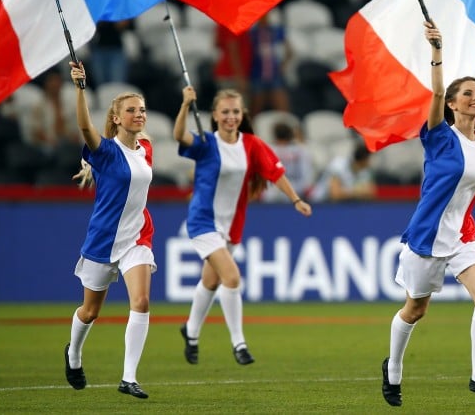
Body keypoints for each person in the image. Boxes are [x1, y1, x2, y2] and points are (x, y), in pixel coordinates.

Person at [382, 22, 475, 408]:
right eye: (467, 93)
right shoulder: (438, 136)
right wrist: (438, 51)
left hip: (462, 234)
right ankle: (394, 369)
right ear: (451, 103)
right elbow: (435, 89)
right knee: (415, 310)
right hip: (428, 236)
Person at [174, 86, 312, 366]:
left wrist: (296, 199)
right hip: (203, 221)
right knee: (232, 278)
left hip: (231, 225)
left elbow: (276, 172)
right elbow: (179, 136)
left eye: (235, 112)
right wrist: (186, 105)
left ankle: (190, 331)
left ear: (242, 114)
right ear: (214, 115)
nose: (230, 117)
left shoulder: (251, 144)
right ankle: (239, 343)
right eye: (225, 112)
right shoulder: (206, 142)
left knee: (210, 282)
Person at [64, 61, 155, 399]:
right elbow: (85, 128)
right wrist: (80, 88)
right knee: (90, 311)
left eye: (142, 110)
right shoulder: (105, 151)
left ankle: (128, 378)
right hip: (103, 240)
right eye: (131, 110)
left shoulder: (147, 149)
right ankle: (73, 354)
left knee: (142, 301)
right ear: (117, 117)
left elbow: (131, 182)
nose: (139, 114)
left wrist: (91, 169)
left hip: (137, 238)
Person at [261, 121, 314, 203]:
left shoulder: (300, 151)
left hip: (296, 188)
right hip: (274, 191)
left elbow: (306, 178)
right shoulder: (302, 150)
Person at [309, 142, 376, 203]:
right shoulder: (338, 165)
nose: (370, 162)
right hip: (319, 205)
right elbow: (335, 195)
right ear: (364, 159)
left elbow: (371, 192)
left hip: (341, 206)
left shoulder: (364, 172)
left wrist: (349, 193)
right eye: (369, 158)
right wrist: (358, 192)